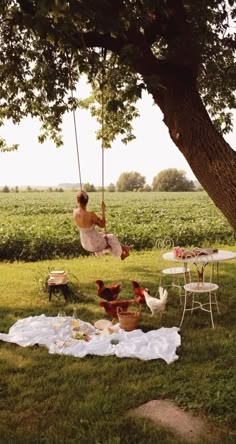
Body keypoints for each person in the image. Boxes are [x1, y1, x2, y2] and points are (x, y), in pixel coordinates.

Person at [73, 190, 132, 260]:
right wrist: (103, 210)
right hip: (94, 244)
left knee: (106, 233)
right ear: (87, 201)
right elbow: (102, 225)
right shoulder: (90, 215)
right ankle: (122, 252)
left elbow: (87, 229)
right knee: (111, 237)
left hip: (85, 243)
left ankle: (125, 249)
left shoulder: (74, 212)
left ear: (77, 200)